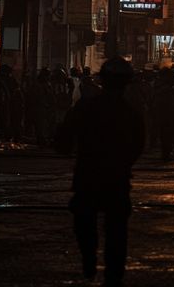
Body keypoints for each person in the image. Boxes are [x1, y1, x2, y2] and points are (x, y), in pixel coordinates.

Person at [55, 57, 145, 287]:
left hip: (89, 177)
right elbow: (139, 145)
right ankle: (113, 275)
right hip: (116, 179)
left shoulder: (86, 107)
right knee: (116, 230)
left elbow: (64, 140)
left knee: (85, 222)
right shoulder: (130, 113)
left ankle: (90, 260)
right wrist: (123, 163)